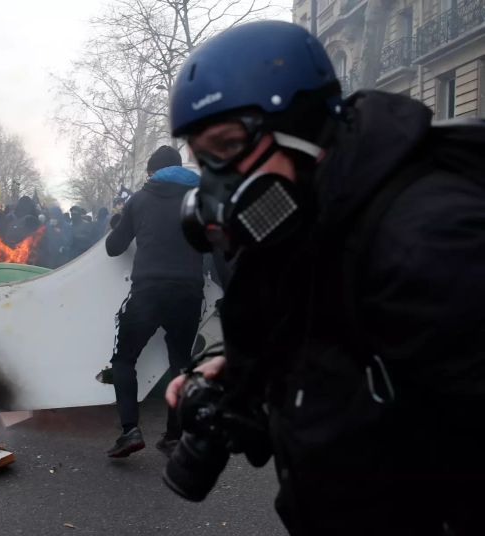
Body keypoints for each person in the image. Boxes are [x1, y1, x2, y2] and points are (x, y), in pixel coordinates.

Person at [164, 21, 485, 536]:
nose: (216, 183)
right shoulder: (317, 216)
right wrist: (248, 376)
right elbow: (356, 373)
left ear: (303, 128)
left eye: (227, 146)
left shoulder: (429, 243)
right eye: (203, 159)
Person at [103, 145, 203, 458]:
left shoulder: (140, 200)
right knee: (181, 363)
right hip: (189, 292)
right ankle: (174, 435)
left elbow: (114, 248)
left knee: (124, 359)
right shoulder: (199, 199)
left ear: (151, 172)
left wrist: (118, 223)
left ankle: (130, 430)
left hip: (148, 290)